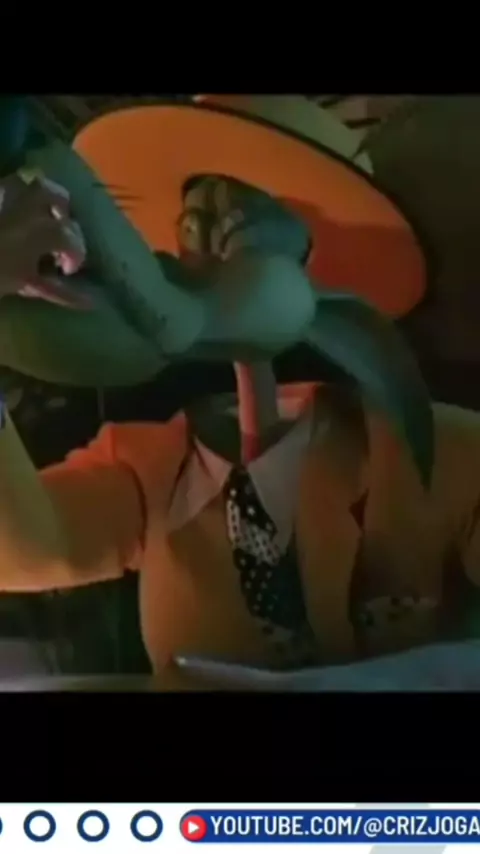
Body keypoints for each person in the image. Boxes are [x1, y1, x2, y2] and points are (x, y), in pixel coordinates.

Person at [0, 95, 480, 692]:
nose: (211, 236)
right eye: (195, 218)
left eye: (244, 216)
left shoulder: (436, 457)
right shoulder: (151, 471)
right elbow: (27, 548)